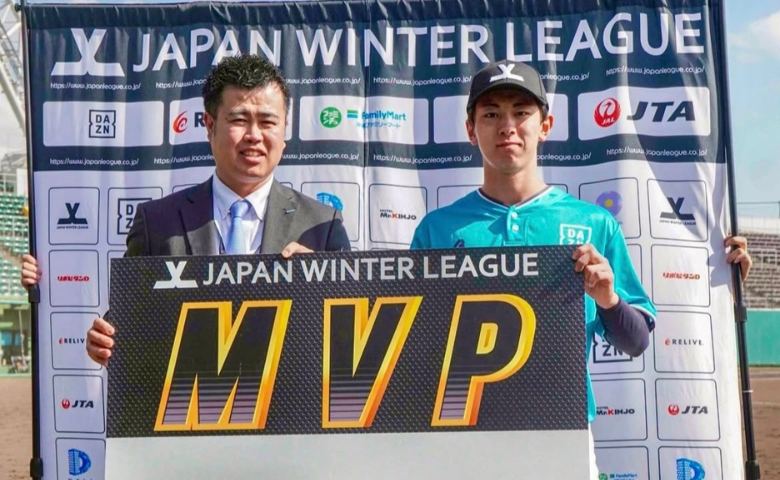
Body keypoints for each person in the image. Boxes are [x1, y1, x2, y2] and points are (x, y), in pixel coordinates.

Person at [409, 59, 752, 479]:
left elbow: (636, 341)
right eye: (492, 114)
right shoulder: (438, 229)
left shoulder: (592, 224)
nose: (507, 127)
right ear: (470, 128)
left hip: (561, 428)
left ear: (545, 125)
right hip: (460, 430)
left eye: (521, 112)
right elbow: (413, 345)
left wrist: (608, 299)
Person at [21, 54, 350, 367]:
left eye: (267, 122)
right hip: (186, 404)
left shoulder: (323, 225)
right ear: (209, 125)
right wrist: (105, 340)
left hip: (287, 403)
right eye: (239, 120)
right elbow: (128, 322)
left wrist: (323, 287)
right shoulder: (156, 222)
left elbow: (350, 341)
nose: (254, 135)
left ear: (284, 130)